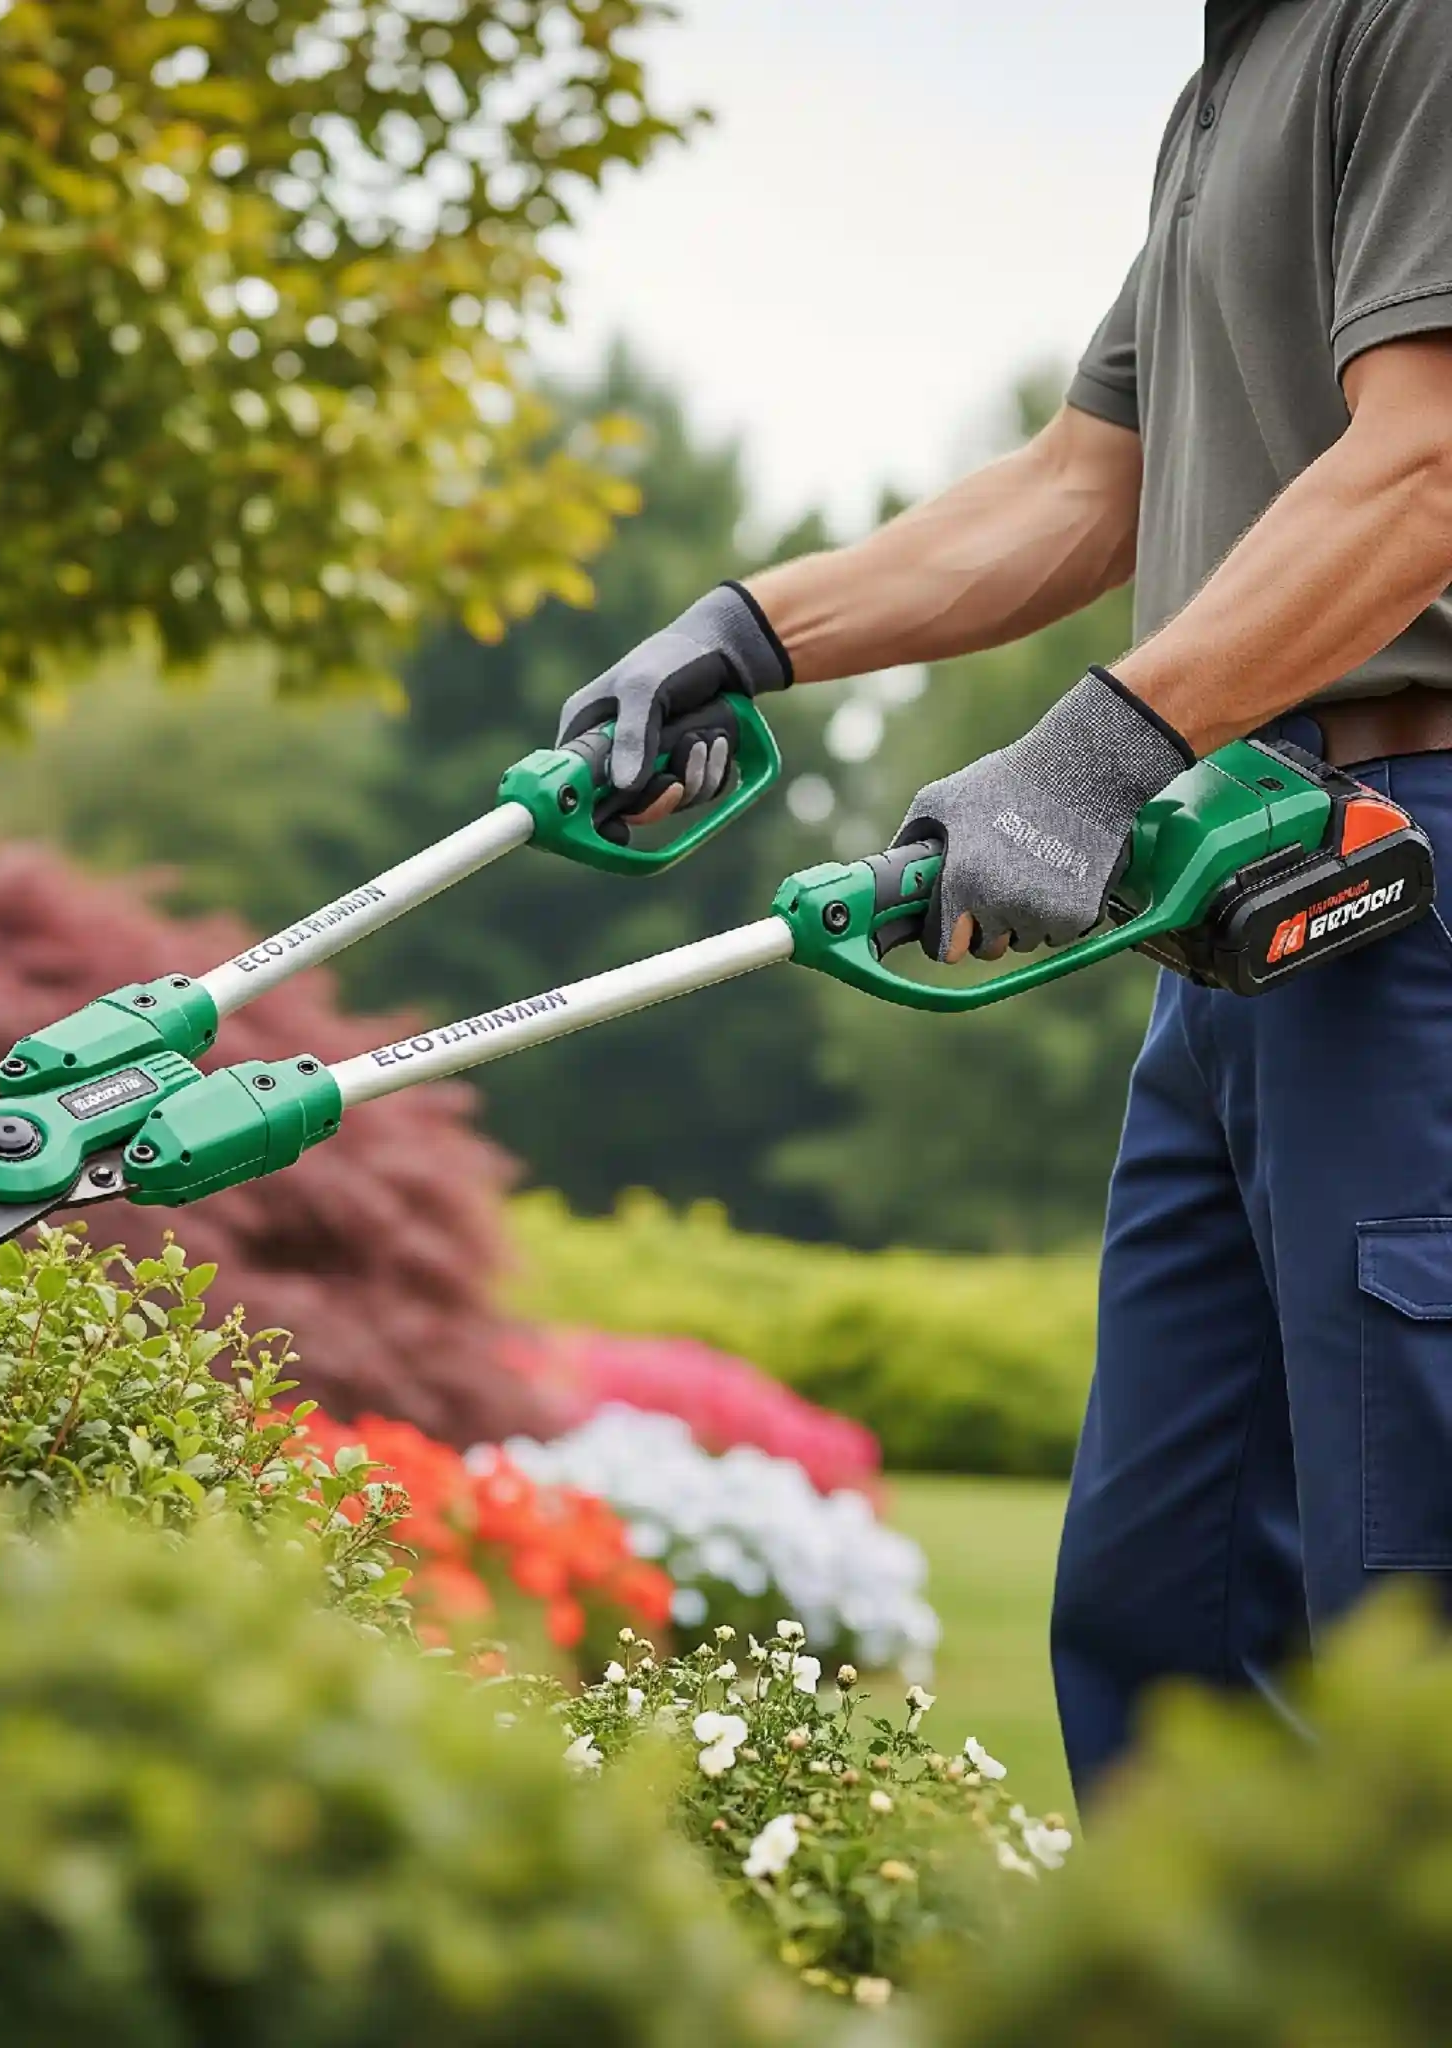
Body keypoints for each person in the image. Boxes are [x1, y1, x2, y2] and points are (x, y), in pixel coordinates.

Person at [555, 0, 1452, 1805]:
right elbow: (1079, 488)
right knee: (1164, 1601)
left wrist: (1092, 755)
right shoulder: (1231, 81)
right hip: (1244, 881)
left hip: (1407, 874)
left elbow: (1425, 463)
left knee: (1405, 1606)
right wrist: (748, 633)